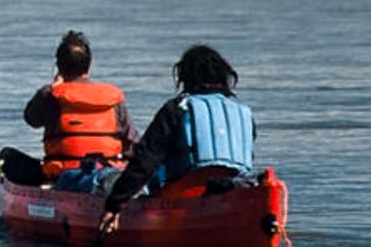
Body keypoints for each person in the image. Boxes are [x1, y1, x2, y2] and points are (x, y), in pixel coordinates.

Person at [97, 44, 256, 234]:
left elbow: (145, 161)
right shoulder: (243, 112)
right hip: (229, 194)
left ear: (185, 77)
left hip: (184, 198)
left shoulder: (177, 109)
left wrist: (114, 205)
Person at [0, 30, 139, 191]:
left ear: (59, 66)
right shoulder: (113, 101)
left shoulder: (51, 95)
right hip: (108, 171)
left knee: (9, 158)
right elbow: (134, 146)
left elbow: (31, 118)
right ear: (88, 66)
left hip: (66, 176)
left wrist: (53, 87)